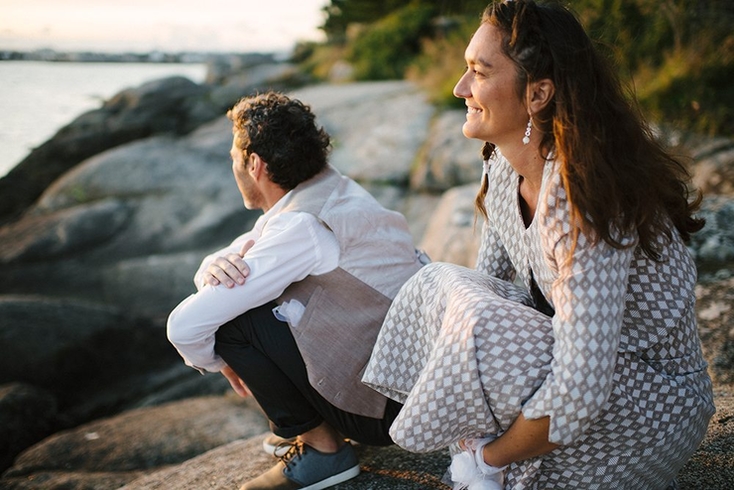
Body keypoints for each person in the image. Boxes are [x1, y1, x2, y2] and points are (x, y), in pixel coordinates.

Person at [362, 1, 715, 488]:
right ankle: (485, 459)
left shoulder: (583, 199)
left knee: (479, 322)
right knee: (442, 286)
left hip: (653, 406)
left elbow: (580, 388)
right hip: (589, 380)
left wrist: (490, 457)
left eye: (478, 73)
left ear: (538, 93)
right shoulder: (504, 168)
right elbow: (486, 289)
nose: (459, 88)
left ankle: (486, 467)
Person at [166, 91, 426, 490]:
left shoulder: (302, 225)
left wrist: (224, 361)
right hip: (402, 386)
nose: (233, 167)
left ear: (254, 164)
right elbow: (241, 249)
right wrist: (209, 269)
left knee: (233, 324)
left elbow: (184, 326)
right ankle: (317, 426)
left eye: (234, 158)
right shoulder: (332, 189)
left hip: (383, 411)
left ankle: (324, 451)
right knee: (243, 299)